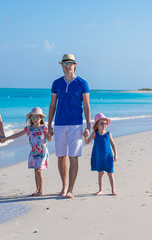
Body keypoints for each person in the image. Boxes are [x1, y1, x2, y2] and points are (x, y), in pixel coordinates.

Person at [47, 54, 91, 198]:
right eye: (65, 63)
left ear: (74, 65)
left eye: (70, 63)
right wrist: (49, 126)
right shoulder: (56, 83)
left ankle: (71, 189)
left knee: (74, 157)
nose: (67, 66)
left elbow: (86, 105)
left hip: (75, 124)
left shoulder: (82, 83)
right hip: (59, 124)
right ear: (61, 66)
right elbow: (52, 105)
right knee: (61, 157)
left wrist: (88, 126)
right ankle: (64, 186)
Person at [0, 107, 52, 196]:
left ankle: (41, 190)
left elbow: (49, 139)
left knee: (39, 170)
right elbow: (18, 135)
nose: (35, 119)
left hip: (42, 151)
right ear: (30, 118)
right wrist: (6, 138)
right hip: (34, 151)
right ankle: (37, 189)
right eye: (33, 117)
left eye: (37, 117)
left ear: (41, 118)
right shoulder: (29, 129)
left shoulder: (43, 128)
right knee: (35, 171)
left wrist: (50, 135)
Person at [84, 113, 118, 196]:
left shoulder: (108, 134)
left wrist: (115, 154)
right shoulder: (95, 133)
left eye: (105, 123)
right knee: (100, 173)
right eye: (101, 123)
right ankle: (100, 190)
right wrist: (85, 136)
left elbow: (113, 144)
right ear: (97, 125)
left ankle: (113, 190)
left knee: (110, 173)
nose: (103, 125)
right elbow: (87, 142)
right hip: (99, 157)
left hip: (108, 157)